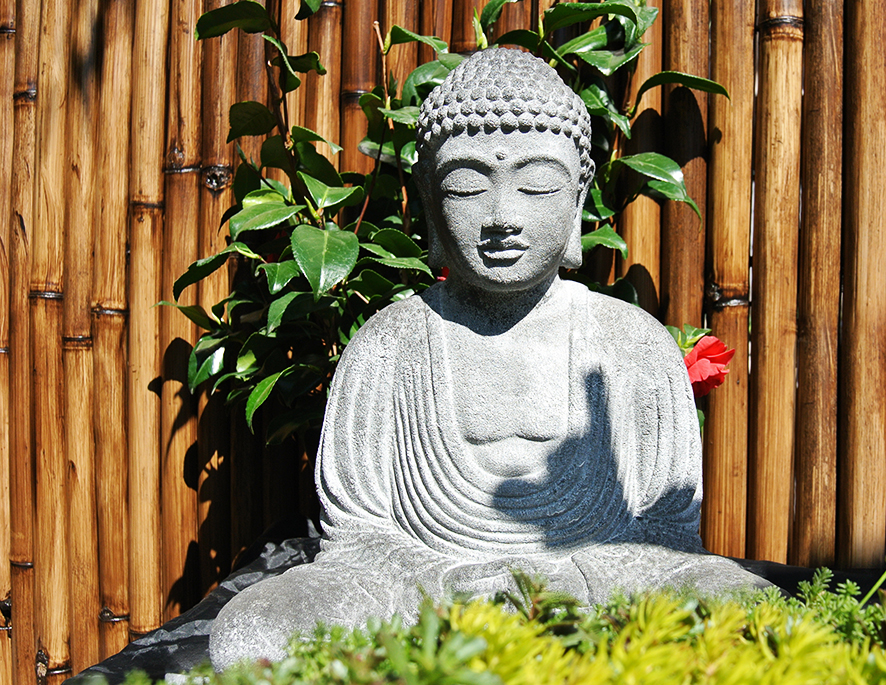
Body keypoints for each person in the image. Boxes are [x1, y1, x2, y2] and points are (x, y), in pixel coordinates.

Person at [209, 47, 769, 670]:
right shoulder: (388, 345)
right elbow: (358, 537)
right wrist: (445, 584)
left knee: (747, 607)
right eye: (467, 187)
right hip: (422, 589)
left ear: (578, 196)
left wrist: (574, 580)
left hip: (601, 591)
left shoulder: (633, 343)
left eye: (537, 185)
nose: (503, 217)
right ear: (430, 200)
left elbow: (667, 536)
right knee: (254, 631)